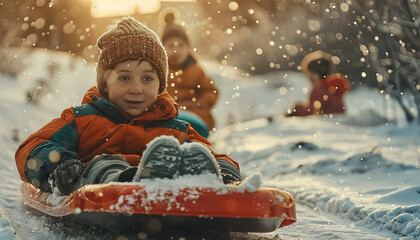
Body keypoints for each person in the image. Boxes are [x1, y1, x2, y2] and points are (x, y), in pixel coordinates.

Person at [15, 17, 242, 196]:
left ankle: (200, 180)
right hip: (99, 187)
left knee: (195, 154)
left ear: (160, 85)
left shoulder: (175, 129)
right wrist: (60, 167)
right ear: (105, 83)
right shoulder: (82, 120)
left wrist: (226, 172)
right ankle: (125, 182)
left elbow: (216, 155)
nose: (136, 89)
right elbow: (33, 147)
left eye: (147, 79)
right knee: (105, 163)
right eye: (124, 78)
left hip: (166, 191)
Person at [161, 11, 218, 138]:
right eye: (171, 46)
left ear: (188, 48)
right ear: (163, 49)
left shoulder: (196, 70)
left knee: (194, 127)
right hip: (170, 114)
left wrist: (202, 102)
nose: (176, 50)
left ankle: (195, 144)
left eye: (180, 45)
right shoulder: (161, 71)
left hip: (195, 112)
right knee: (167, 126)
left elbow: (210, 90)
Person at [287, 50, 350, 117]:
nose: (308, 76)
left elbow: (312, 111)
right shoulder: (331, 86)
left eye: (310, 73)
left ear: (316, 74)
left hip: (327, 123)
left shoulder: (319, 89)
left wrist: (296, 110)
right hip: (339, 121)